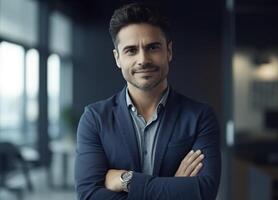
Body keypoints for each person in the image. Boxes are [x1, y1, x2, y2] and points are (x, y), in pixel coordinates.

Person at [75, 3, 221, 200]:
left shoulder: (200, 117)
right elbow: (88, 195)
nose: (143, 59)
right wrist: (176, 187)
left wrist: (126, 180)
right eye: (131, 50)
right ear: (117, 58)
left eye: (152, 47)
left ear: (168, 51)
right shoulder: (95, 119)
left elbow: (203, 192)